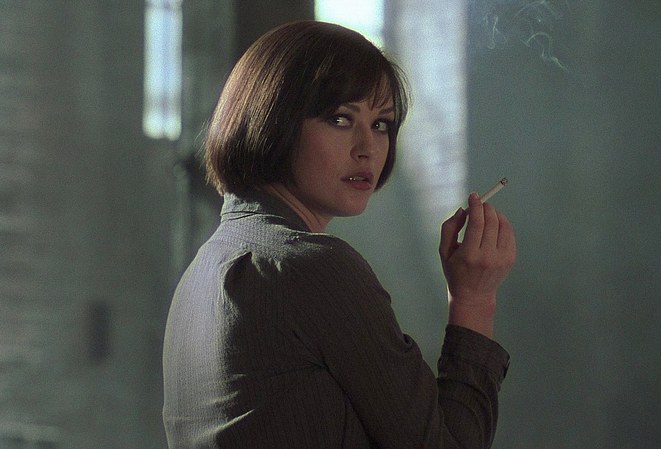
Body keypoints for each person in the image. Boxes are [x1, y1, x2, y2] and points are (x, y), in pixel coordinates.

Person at [162, 20, 516, 449]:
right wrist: (474, 299)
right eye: (341, 119)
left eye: (381, 124)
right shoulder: (312, 268)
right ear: (274, 122)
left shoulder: (202, 273)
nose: (368, 148)